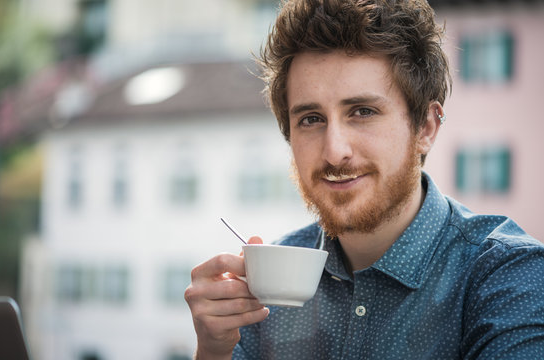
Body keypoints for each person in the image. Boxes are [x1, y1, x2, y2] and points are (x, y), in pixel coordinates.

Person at [184, 0, 544, 359]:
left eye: (362, 112)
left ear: (426, 128)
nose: (334, 151)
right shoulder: (263, 289)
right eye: (311, 119)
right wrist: (213, 351)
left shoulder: (509, 276)